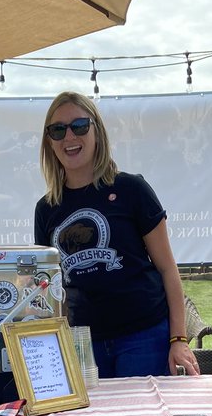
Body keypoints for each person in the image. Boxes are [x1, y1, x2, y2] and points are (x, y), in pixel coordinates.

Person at [33, 92, 198, 378]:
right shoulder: (45, 209)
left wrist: (179, 339)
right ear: (49, 142)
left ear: (97, 130)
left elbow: (167, 268)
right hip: (84, 344)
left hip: (144, 337)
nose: (69, 137)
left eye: (79, 126)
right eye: (57, 130)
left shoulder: (132, 189)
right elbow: (50, 289)